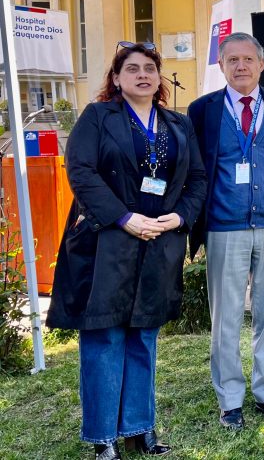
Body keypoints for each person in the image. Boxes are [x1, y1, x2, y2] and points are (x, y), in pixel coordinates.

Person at [46, 41, 207, 460]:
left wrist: (179, 218)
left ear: (159, 78)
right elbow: (79, 171)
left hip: (158, 242)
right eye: (131, 68)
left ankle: (140, 429)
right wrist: (123, 217)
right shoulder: (98, 117)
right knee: (105, 337)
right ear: (116, 79)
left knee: (143, 336)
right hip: (107, 241)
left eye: (150, 68)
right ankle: (103, 438)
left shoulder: (178, 124)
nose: (142, 74)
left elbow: (199, 179)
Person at [187, 32, 264, 430]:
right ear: (221, 66)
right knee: (227, 316)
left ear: (261, 64)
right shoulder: (202, 110)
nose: (241, 66)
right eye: (232, 60)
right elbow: (197, 167)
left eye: (248, 59)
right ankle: (230, 398)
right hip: (224, 227)